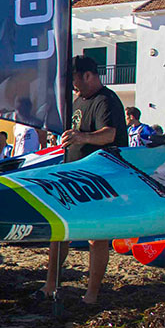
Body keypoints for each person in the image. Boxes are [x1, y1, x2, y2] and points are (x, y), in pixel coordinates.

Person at [39, 55, 127, 306]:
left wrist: (82, 137)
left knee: (96, 237)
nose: (73, 86)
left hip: (100, 178)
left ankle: (91, 294)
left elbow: (109, 134)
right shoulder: (77, 101)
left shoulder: (106, 100)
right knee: (59, 231)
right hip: (72, 174)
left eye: (75, 80)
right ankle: (50, 284)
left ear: (88, 75)